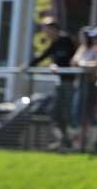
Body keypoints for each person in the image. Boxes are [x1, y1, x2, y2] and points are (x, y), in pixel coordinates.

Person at [29, 17, 76, 149]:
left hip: (70, 82)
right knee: (56, 112)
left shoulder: (65, 40)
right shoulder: (54, 43)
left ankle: (72, 141)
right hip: (60, 81)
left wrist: (57, 66)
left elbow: (67, 58)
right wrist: (27, 65)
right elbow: (43, 55)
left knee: (67, 112)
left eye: (47, 29)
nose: (46, 33)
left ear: (54, 29)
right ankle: (63, 140)